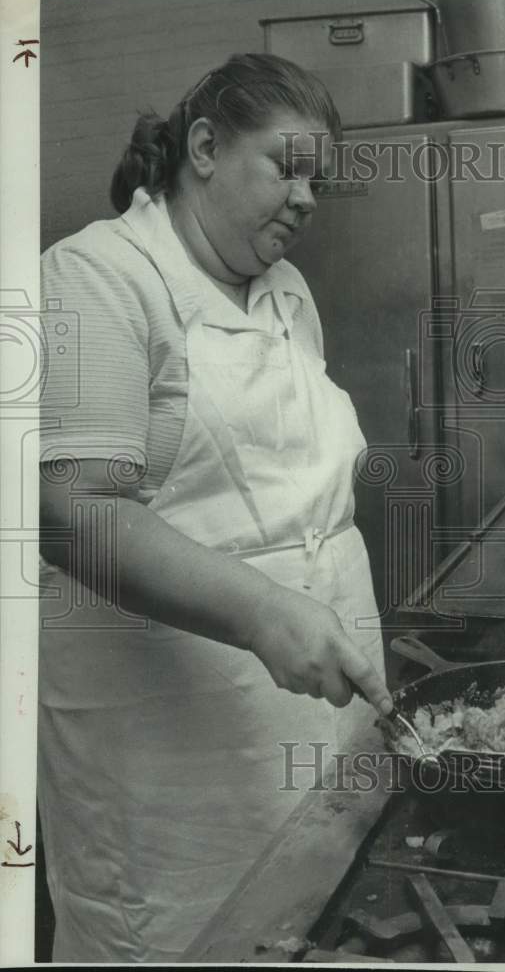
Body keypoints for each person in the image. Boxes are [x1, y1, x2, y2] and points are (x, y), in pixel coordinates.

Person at [38, 52, 393, 963]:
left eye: (320, 180)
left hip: (315, 711)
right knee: (189, 939)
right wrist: (268, 608)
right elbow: (70, 511)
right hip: (167, 748)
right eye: (289, 166)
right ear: (203, 147)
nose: (309, 199)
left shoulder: (286, 292)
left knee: (318, 925)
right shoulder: (94, 277)